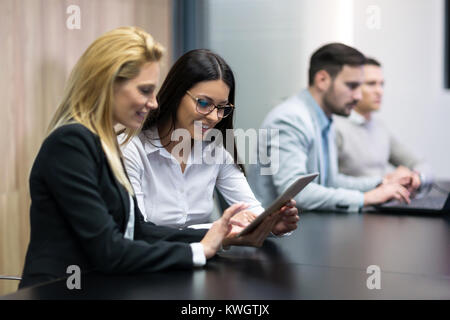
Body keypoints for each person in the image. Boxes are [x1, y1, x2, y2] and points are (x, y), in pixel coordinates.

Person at [19, 27, 284, 289]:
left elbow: (139, 230)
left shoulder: (103, 143)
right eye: (145, 90)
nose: (154, 102)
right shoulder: (71, 143)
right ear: (107, 85)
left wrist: (221, 236)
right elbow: (110, 249)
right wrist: (199, 251)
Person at [121, 49, 299, 236]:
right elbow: (138, 231)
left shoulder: (215, 151)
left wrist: (272, 225)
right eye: (204, 103)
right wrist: (220, 229)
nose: (215, 117)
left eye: (222, 107)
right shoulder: (132, 150)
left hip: (201, 260)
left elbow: (251, 211)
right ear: (176, 94)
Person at [247, 43, 419, 212]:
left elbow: (330, 182)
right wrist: (366, 199)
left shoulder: (324, 118)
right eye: (352, 86)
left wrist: (380, 183)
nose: (358, 96)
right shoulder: (290, 119)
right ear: (322, 80)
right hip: (274, 235)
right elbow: (296, 194)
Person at [334, 57, 431, 190]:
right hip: (356, 205)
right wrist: (384, 181)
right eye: (371, 84)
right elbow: (329, 182)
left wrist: (415, 178)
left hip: (384, 202)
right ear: (354, 87)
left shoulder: (380, 128)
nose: (379, 91)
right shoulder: (335, 127)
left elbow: (419, 163)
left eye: (381, 84)